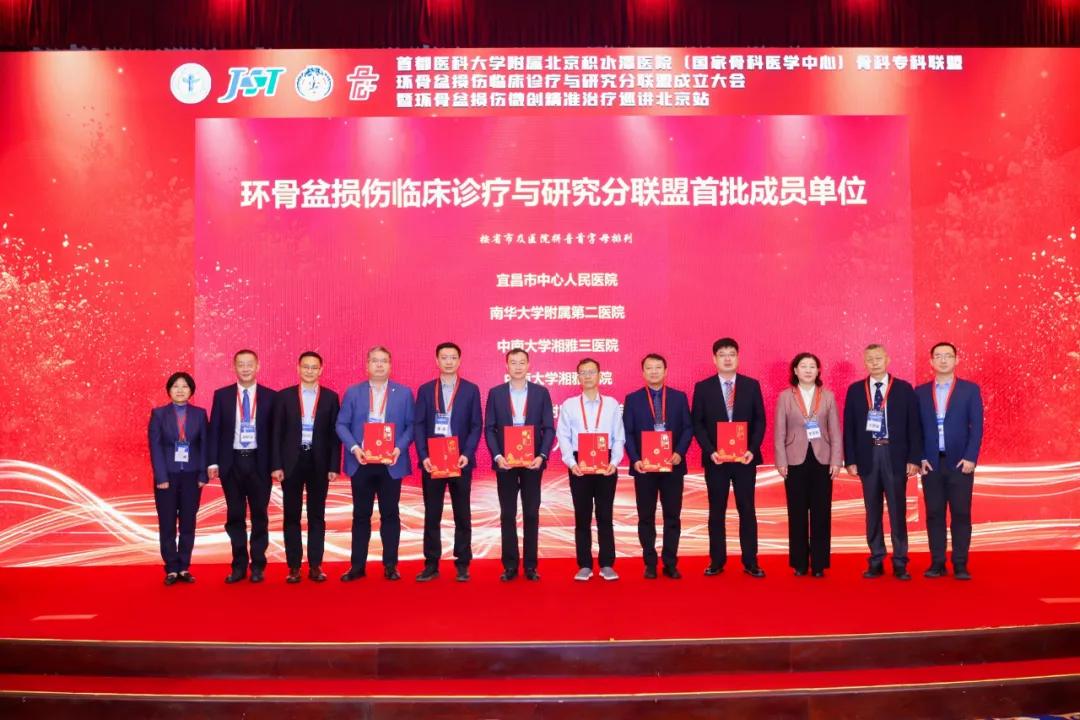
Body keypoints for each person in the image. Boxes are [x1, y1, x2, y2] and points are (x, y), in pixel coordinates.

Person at [843, 344, 923, 581]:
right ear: (864, 362)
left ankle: (900, 561)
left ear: (887, 359)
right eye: (870, 359)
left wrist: (914, 458)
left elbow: (914, 426)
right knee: (872, 511)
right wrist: (851, 460)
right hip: (868, 456)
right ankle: (876, 559)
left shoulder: (904, 389)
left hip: (895, 455)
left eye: (878, 358)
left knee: (898, 510)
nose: (874, 362)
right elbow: (849, 427)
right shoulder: (855, 390)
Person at [336, 346, 414, 582]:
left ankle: (390, 565)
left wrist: (399, 448)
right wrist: (355, 448)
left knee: (390, 515)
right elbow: (341, 424)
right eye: (375, 361)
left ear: (390, 365)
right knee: (361, 516)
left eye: (384, 361)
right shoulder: (353, 392)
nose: (379, 365)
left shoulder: (404, 393)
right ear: (367, 365)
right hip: (361, 462)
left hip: (391, 463)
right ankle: (357, 566)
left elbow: (412, 426)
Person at [691, 338, 767, 577]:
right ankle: (717, 560)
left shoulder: (751, 385)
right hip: (717, 460)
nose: (727, 358)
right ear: (714, 359)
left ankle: (750, 561)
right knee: (716, 511)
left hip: (745, 459)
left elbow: (760, 421)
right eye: (722, 354)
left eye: (731, 354)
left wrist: (752, 449)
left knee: (747, 509)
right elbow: (697, 423)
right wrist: (710, 450)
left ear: (738, 358)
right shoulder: (703, 387)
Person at [413, 342, 483, 583]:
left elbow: (476, 425)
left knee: (462, 514)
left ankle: (462, 563)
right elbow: (418, 425)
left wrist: (467, 453)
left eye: (453, 357)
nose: (449, 361)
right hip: (433, 461)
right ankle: (431, 564)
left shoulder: (471, 389)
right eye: (444, 357)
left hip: (460, 460)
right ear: (437, 361)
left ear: (459, 361)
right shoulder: (425, 390)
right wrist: (424, 456)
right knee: (432, 514)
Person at [484, 348, 556, 582]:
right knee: (507, 514)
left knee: (531, 513)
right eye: (513, 362)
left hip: (532, 463)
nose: (517, 366)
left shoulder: (540, 393)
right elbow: (489, 428)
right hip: (505, 463)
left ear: (528, 365)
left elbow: (549, 428)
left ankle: (531, 566)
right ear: (506, 366)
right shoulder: (496, 393)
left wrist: (542, 455)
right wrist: (497, 456)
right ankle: (510, 566)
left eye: (522, 362)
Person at [271, 351, 341, 584]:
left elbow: (334, 436)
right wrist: (276, 465)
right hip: (291, 462)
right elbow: (276, 433)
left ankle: (315, 565)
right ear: (298, 368)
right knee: (291, 515)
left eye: (314, 367)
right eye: (306, 367)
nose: (310, 371)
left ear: (321, 370)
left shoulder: (330, 397)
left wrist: (334, 465)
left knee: (316, 515)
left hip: (319, 462)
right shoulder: (284, 397)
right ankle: (293, 566)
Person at [207, 350, 277, 584]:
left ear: (258, 366)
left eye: (249, 364)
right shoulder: (222, 395)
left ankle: (258, 566)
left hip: (260, 463)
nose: (245, 368)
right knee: (235, 516)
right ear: (234, 367)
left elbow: (275, 434)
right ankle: (238, 566)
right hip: (232, 463)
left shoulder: (270, 396)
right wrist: (213, 461)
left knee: (259, 516)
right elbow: (215, 430)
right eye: (240, 364)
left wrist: (276, 464)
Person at [915, 342, 984, 581]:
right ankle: (937, 563)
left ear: (956, 360)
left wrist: (970, 457)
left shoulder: (970, 390)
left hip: (960, 463)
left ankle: (960, 564)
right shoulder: (920, 392)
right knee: (934, 513)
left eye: (948, 356)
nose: (943, 360)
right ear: (931, 361)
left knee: (961, 513)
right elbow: (915, 429)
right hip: (931, 463)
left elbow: (977, 427)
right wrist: (920, 457)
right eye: (938, 356)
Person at [622, 353, 693, 579]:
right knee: (646, 517)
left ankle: (670, 562)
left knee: (673, 516)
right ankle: (650, 563)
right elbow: (627, 432)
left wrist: (679, 453)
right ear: (643, 372)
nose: (654, 371)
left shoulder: (679, 397)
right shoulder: (633, 399)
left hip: (672, 466)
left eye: (658, 367)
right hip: (644, 468)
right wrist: (635, 459)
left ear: (665, 371)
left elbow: (688, 428)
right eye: (649, 368)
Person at [556, 357, 626, 581]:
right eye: (583, 372)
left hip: (606, 463)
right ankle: (585, 564)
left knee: (605, 515)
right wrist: (571, 462)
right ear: (578, 377)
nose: (587, 376)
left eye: (591, 372)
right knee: (582, 516)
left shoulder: (612, 404)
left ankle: (607, 564)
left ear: (599, 375)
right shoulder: (569, 405)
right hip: (580, 463)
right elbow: (563, 436)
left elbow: (619, 436)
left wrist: (614, 462)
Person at [774, 353, 842, 578]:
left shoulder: (828, 396)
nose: (808, 370)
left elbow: (835, 431)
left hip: (823, 459)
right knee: (797, 513)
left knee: (822, 513)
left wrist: (836, 460)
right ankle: (800, 563)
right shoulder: (785, 397)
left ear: (818, 371)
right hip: (794, 460)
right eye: (803, 366)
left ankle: (819, 563)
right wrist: (781, 460)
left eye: (812, 366)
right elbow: (779, 431)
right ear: (795, 370)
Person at [148, 372, 208, 585]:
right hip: (167, 477)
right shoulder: (159, 414)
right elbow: (155, 447)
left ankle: (184, 566)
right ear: (169, 390)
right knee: (167, 523)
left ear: (191, 390)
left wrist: (203, 474)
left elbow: (205, 445)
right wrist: (161, 476)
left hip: (192, 477)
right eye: (175, 386)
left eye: (185, 386)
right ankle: (171, 568)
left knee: (188, 523)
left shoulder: (200, 414)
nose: (180, 390)